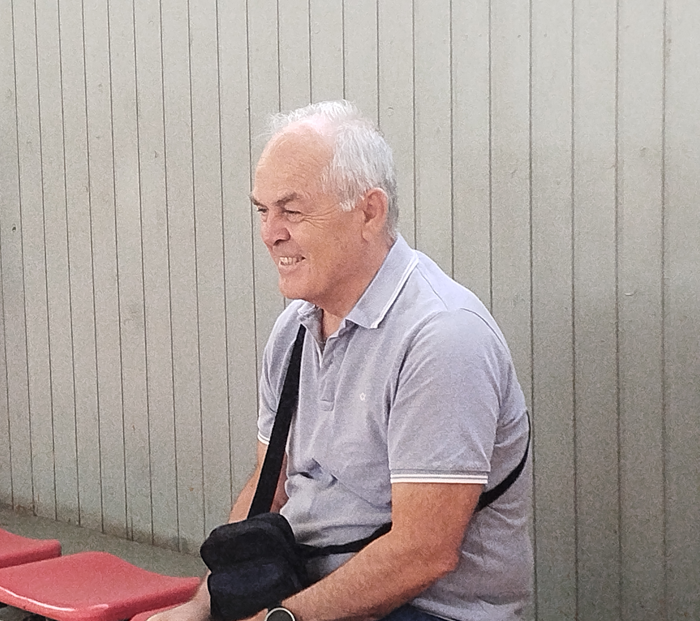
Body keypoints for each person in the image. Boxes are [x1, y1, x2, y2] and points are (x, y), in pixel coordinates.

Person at [154, 100, 532, 621]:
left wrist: (279, 619)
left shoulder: (442, 338)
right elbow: (269, 487)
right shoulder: (295, 330)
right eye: (262, 211)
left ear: (368, 212)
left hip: (426, 609)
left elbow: (423, 554)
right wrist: (201, 606)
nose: (270, 233)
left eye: (292, 211)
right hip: (303, 588)